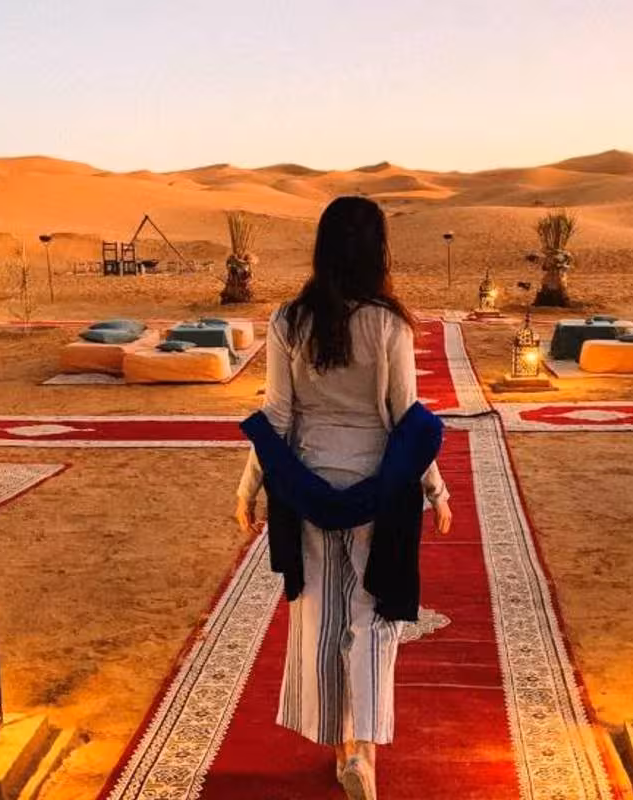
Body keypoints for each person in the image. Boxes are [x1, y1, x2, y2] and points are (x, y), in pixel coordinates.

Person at [235, 196, 452, 800]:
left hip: (307, 490)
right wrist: (436, 488)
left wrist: (248, 486)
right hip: (378, 493)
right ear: (378, 250)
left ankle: (338, 747)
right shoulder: (388, 324)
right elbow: (405, 420)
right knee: (372, 621)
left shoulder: (286, 321)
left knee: (322, 621)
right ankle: (364, 752)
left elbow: (277, 418)